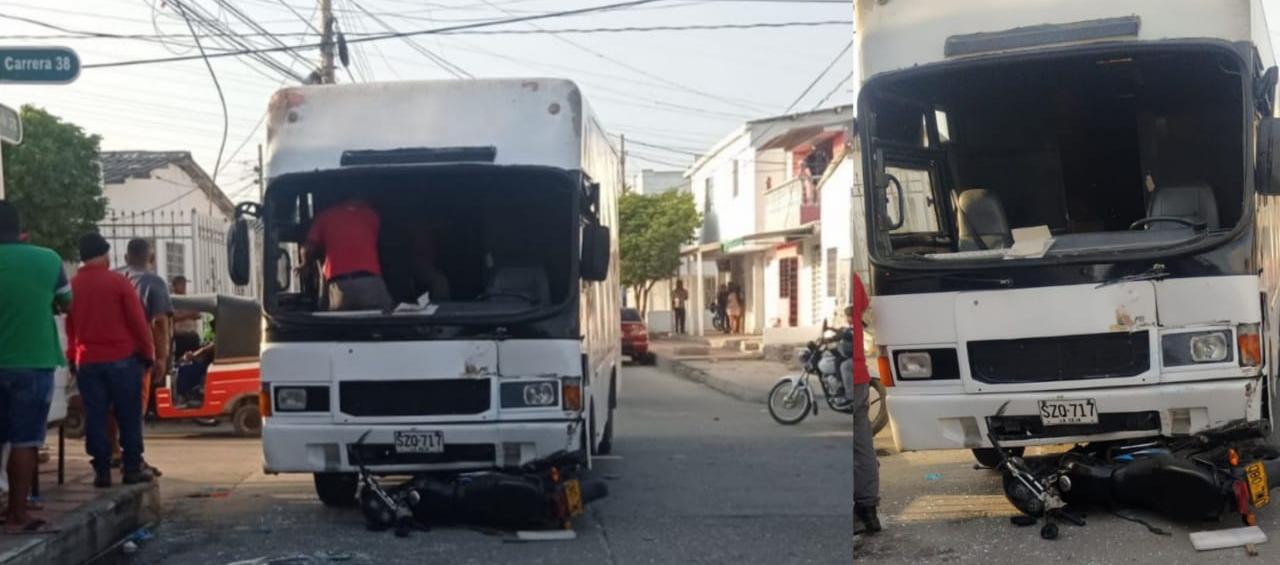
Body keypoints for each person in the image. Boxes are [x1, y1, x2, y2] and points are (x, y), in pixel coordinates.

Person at [0, 201, 72, 533]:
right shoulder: (49, 260)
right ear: (21, 229)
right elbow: (66, 303)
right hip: (34, 362)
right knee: (25, 440)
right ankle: (17, 511)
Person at [65, 233, 156, 488]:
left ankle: (102, 471)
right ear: (105, 254)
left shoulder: (73, 286)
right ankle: (131, 468)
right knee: (128, 414)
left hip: (88, 362)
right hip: (122, 360)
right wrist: (148, 354)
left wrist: (74, 358)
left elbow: (70, 328)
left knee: (96, 415)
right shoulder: (119, 283)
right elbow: (138, 323)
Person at [301, 196, 392, 311]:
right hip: (370, 283)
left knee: (338, 322)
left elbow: (308, 248)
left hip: (339, 287)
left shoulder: (325, 216)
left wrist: (304, 263)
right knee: (388, 316)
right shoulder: (372, 215)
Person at [848, 273, 881, 541]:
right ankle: (869, 512)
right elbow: (862, 309)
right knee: (862, 443)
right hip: (858, 373)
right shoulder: (854, 279)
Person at [170, 276, 201, 360]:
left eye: (184, 284)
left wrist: (184, 315)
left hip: (192, 337)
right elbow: (173, 317)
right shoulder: (172, 300)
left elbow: (198, 315)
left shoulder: (189, 299)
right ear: (175, 286)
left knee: (195, 360)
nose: (184, 286)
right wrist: (189, 315)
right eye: (181, 284)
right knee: (180, 361)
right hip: (180, 338)